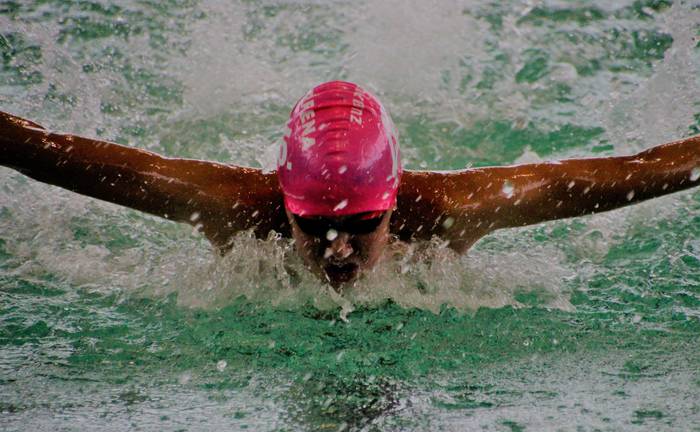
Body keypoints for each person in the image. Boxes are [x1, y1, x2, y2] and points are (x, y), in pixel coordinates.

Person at [1, 81, 699, 289]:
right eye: (313, 224)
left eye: (365, 224)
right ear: (284, 197)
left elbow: (632, 174)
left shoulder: (453, 209)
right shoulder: (233, 207)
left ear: (393, 198)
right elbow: (50, 155)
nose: (339, 247)